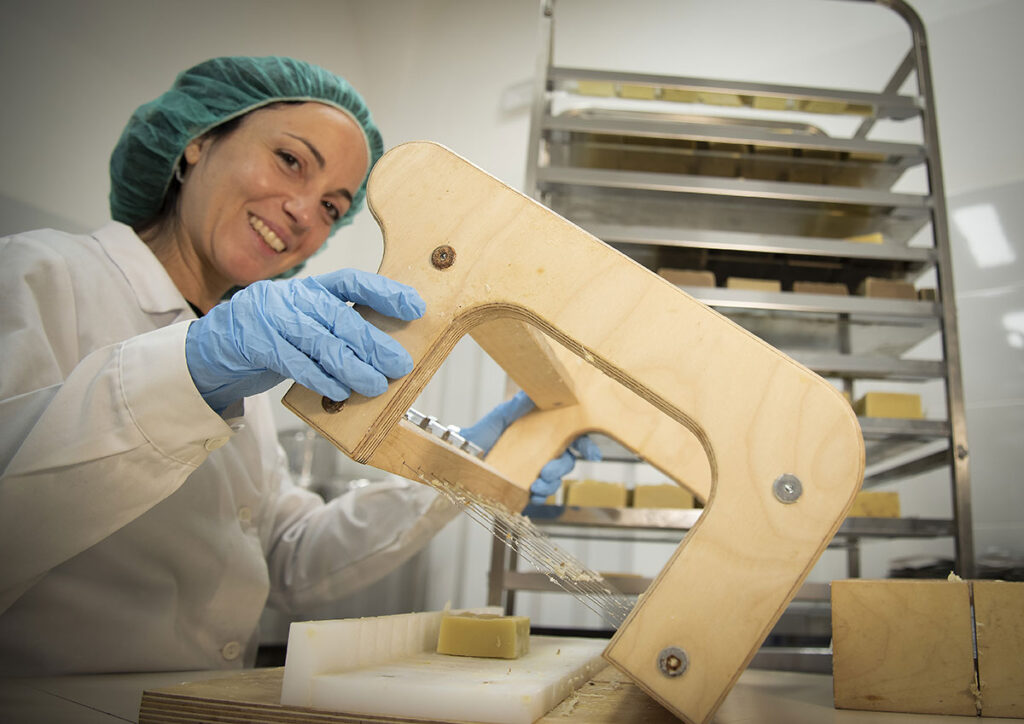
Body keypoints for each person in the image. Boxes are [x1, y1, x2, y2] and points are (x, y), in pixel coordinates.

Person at [0, 56, 598, 676]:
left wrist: (455, 473)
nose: (304, 212)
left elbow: (289, 561)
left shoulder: (251, 372)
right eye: (291, 161)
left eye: (334, 207)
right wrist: (189, 374)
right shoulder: (37, 275)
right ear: (198, 142)